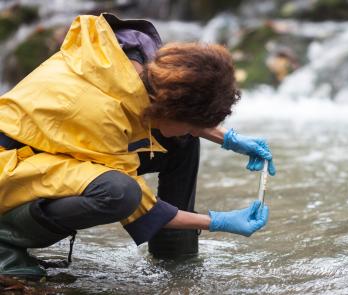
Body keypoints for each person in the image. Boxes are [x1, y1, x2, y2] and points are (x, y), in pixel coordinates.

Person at [0, 13, 276, 279]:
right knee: (119, 193)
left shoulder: (141, 65)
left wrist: (230, 140)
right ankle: (5, 244)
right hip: (10, 165)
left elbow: (175, 118)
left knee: (182, 142)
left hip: (48, 148)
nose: (195, 130)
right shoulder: (102, 114)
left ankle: (175, 256)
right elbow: (141, 207)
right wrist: (218, 221)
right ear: (168, 109)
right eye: (191, 123)